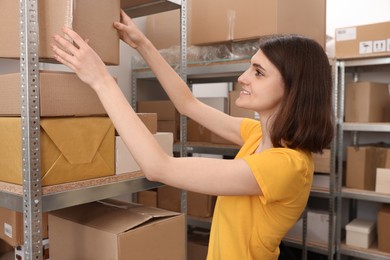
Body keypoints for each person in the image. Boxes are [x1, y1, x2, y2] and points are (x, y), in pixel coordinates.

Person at [51, 10, 333, 260]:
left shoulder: (286, 166)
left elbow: (158, 167)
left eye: (258, 73)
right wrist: (144, 45)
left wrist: (101, 81)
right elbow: (188, 104)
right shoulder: (258, 137)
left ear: (294, 88)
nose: (243, 77)